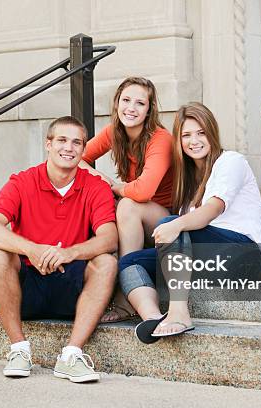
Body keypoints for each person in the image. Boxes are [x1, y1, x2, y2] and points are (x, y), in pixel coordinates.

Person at [0, 116, 118, 382]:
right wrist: (32, 249)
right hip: (27, 286)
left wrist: (69, 252)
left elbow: (109, 238)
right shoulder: (23, 181)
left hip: (71, 285)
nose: (69, 148)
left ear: (84, 149)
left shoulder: (95, 186)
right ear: (48, 144)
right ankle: (19, 350)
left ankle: (71, 355)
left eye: (77, 143)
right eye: (62, 140)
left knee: (107, 262)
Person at [117, 102, 261, 343]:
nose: (194, 141)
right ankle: (153, 317)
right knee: (128, 262)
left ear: (212, 133)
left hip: (243, 253)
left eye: (201, 133)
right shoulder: (187, 181)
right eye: (186, 135)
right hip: (206, 262)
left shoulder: (231, 161)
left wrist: (174, 225)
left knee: (174, 224)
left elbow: (211, 210)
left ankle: (179, 312)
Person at [79, 77, 174, 323]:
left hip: (166, 219)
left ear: (149, 109)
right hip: (135, 213)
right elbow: (76, 158)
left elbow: (143, 192)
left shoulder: (160, 138)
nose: (131, 108)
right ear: (116, 103)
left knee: (128, 205)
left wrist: (116, 187)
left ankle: (124, 297)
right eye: (126, 100)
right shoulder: (114, 132)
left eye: (140, 103)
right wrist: (105, 182)